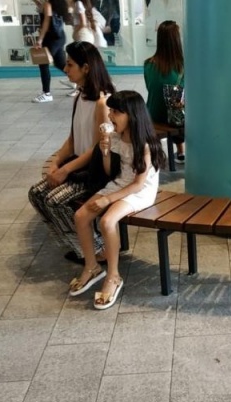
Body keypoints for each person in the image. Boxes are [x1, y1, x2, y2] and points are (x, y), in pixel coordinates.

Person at [71, 90, 166, 310]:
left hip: (140, 191)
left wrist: (108, 200)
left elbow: (138, 184)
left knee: (106, 221)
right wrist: (105, 151)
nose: (110, 116)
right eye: (111, 110)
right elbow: (109, 172)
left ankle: (113, 276)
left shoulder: (146, 144)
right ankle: (91, 266)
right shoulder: (115, 137)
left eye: (116, 112)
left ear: (132, 115)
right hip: (119, 184)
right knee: (81, 216)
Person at [29, 41, 116, 265]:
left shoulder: (102, 102)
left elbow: (98, 148)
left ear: (86, 68)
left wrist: (65, 169)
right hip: (78, 165)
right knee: (36, 194)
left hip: (94, 172)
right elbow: (72, 140)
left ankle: (97, 250)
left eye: (70, 65)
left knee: (54, 201)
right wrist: (56, 163)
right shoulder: (80, 96)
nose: (65, 69)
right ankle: (78, 245)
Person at [144, 20, 185, 162]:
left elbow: (149, 87)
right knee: (179, 104)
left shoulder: (148, 64)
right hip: (176, 119)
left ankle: (158, 153)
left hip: (152, 115)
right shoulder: (182, 66)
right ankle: (181, 152)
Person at [32, 0, 70, 103]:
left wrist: (40, 39)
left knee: (43, 63)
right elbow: (40, 5)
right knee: (60, 63)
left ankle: (46, 93)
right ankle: (81, 82)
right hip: (59, 36)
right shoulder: (54, 3)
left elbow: (46, 22)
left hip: (51, 38)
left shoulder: (48, 4)